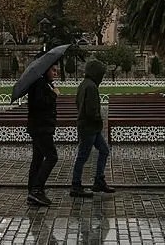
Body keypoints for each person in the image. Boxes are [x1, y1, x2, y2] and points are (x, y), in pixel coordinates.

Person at [70, 59, 114, 198]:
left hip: (88, 126)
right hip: (90, 127)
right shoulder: (91, 87)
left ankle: (99, 180)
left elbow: (78, 103)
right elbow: (91, 110)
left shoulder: (83, 85)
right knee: (83, 156)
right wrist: (98, 119)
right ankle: (75, 185)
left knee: (104, 150)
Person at [26, 63, 60, 207]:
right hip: (41, 128)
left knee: (38, 158)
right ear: (46, 70)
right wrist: (53, 94)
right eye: (53, 70)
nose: (55, 73)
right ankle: (36, 189)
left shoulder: (43, 83)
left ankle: (32, 191)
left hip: (40, 127)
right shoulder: (39, 84)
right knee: (52, 156)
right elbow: (39, 105)